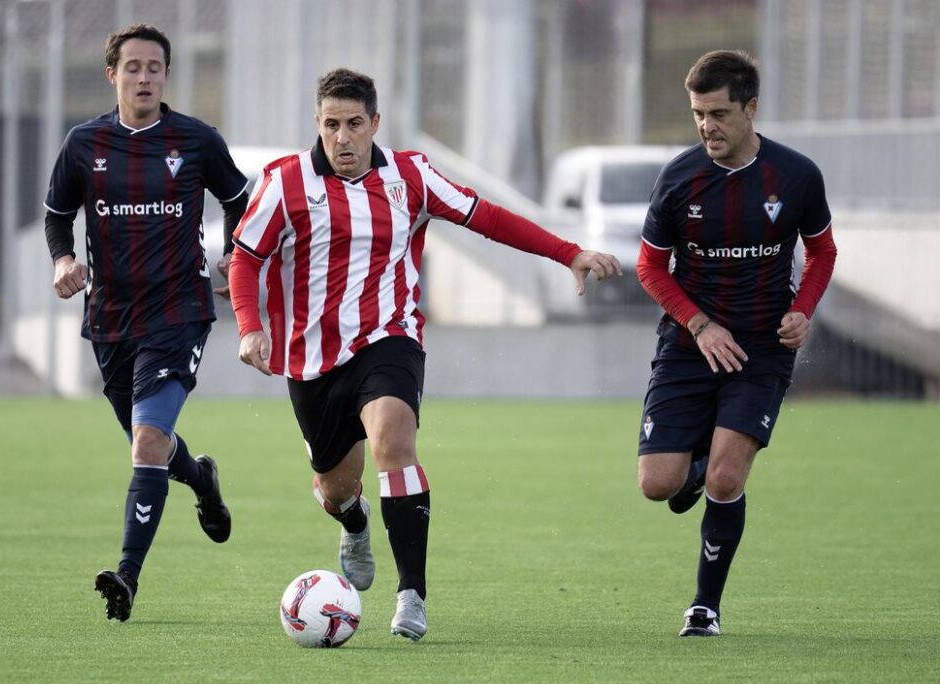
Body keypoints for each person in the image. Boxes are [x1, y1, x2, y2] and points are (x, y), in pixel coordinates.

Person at [228, 68, 622, 641]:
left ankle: (411, 594)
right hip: (311, 359)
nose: (343, 138)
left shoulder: (410, 175)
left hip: (391, 338)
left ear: (375, 125)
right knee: (337, 489)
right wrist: (250, 326)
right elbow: (245, 259)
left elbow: (487, 217)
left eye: (355, 125)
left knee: (393, 438)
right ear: (317, 123)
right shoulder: (284, 183)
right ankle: (354, 521)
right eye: (332, 125)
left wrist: (568, 254)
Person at [43, 23, 249, 622]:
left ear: (165, 75)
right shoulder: (84, 144)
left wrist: (234, 250)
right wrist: (62, 260)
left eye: (154, 67)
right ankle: (203, 481)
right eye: (132, 67)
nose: (143, 76)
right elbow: (58, 214)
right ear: (112, 75)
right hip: (109, 319)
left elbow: (240, 202)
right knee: (149, 445)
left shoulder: (196, 139)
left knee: (147, 440)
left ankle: (127, 578)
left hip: (178, 312)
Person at [635, 50, 838, 637]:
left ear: (751, 108)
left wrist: (803, 310)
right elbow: (651, 267)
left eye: (719, 113)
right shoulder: (678, 177)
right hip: (688, 343)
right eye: (698, 114)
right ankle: (693, 463)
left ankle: (704, 607)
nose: (707, 127)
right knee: (657, 485)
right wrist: (699, 325)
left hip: (763, 347)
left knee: (727, 479)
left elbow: (822, 252)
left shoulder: (796, 176)